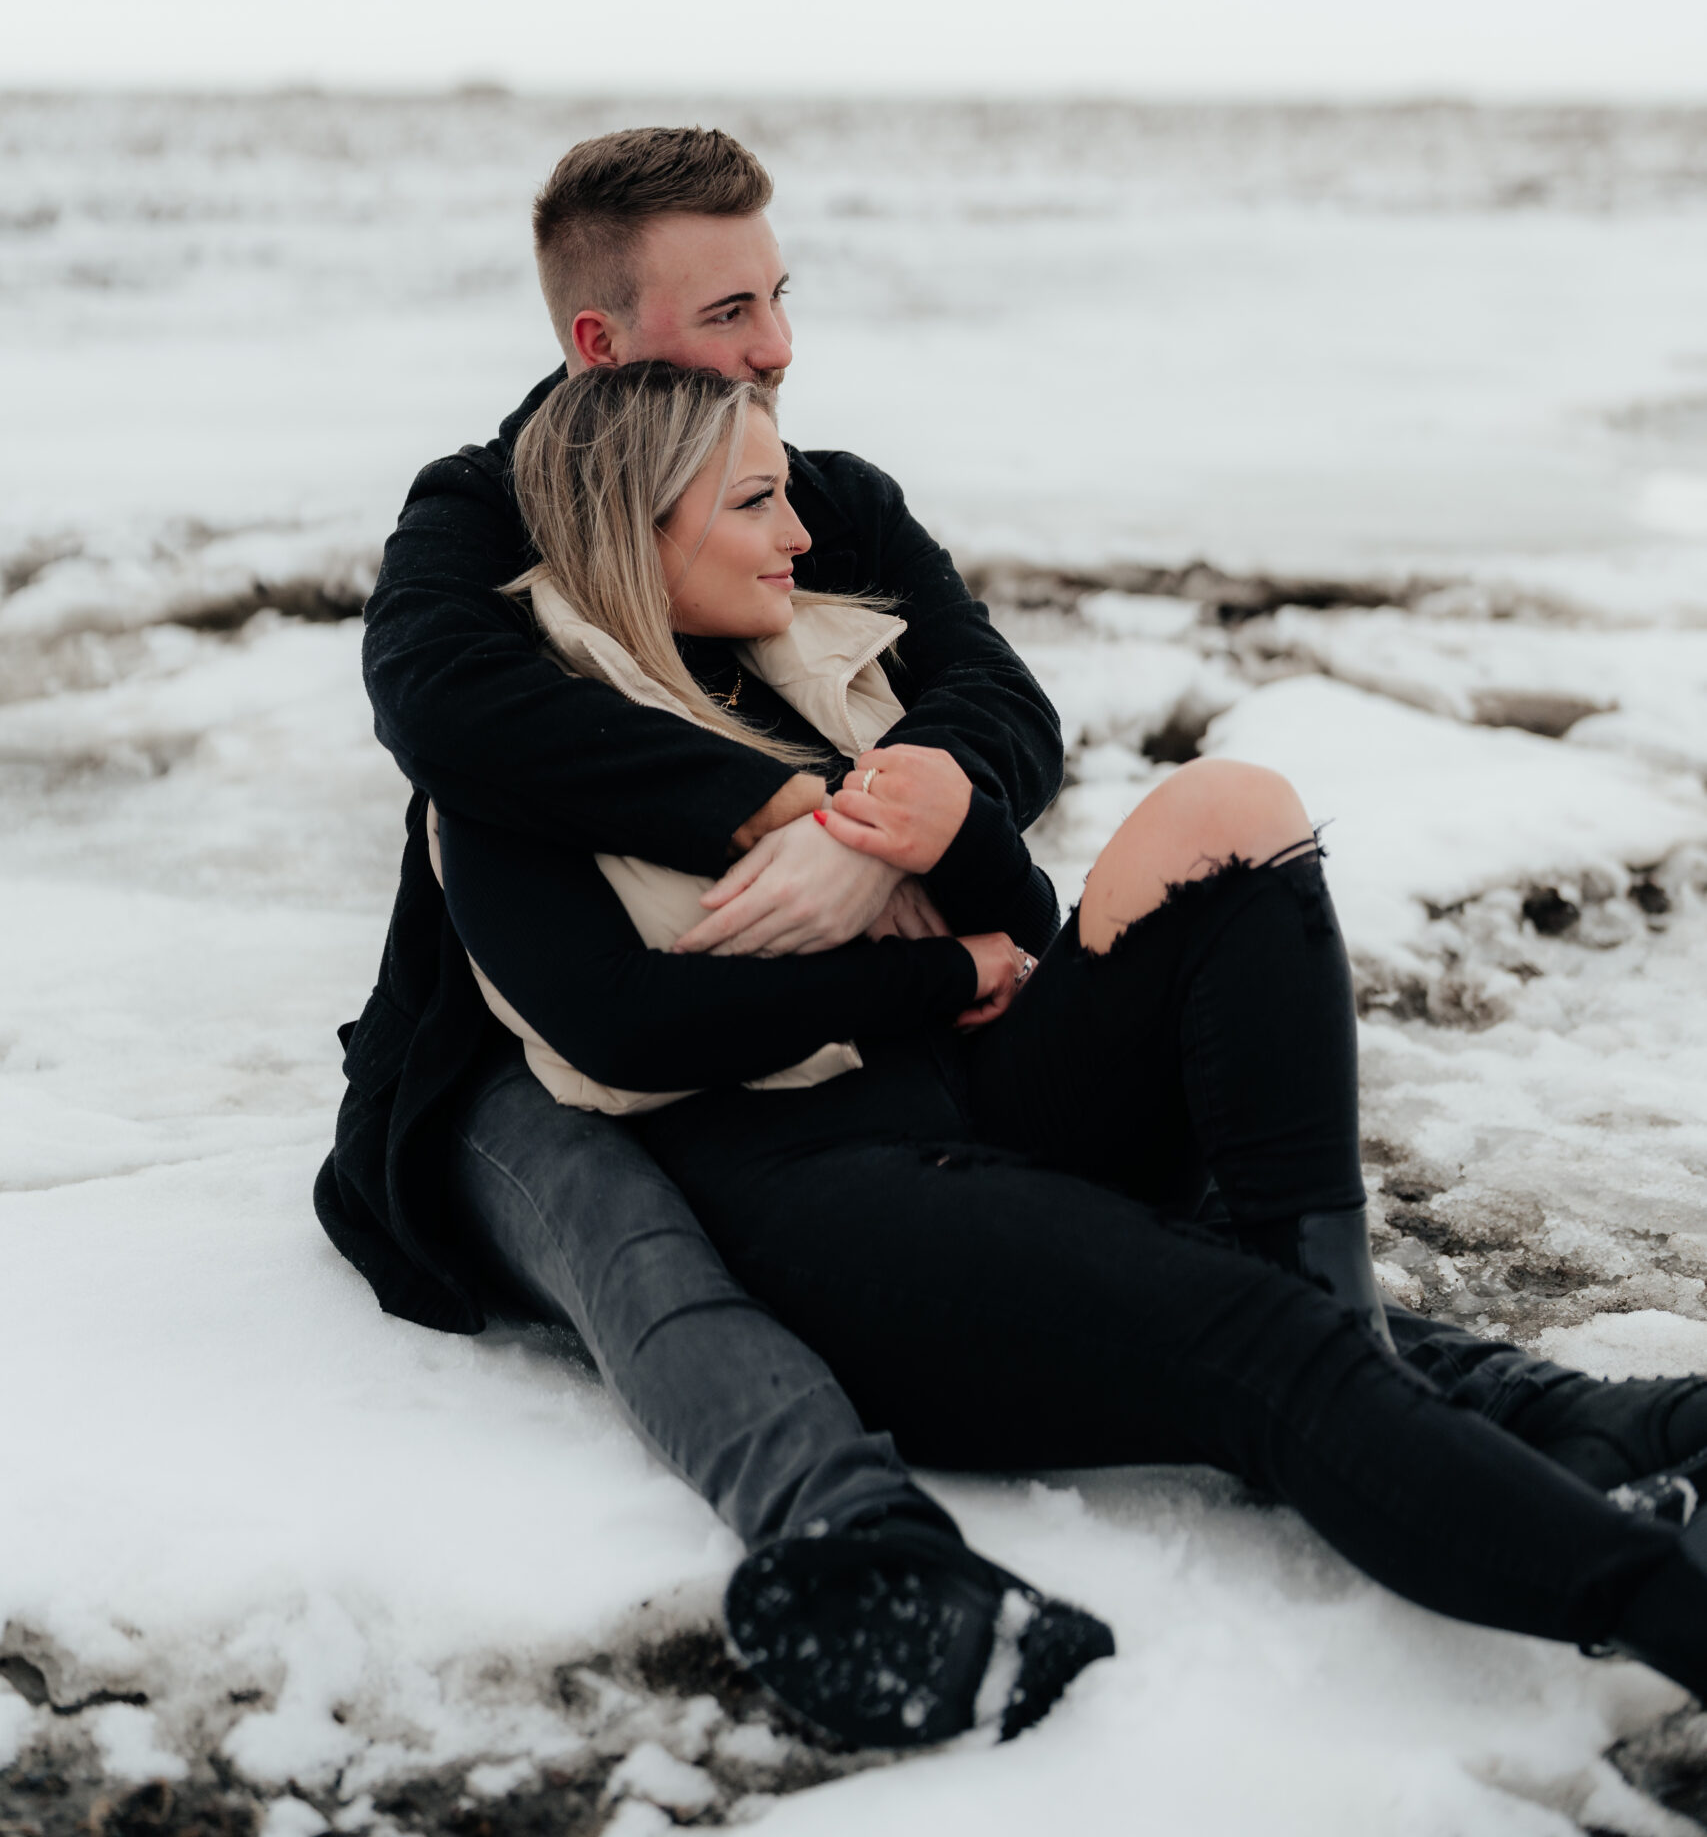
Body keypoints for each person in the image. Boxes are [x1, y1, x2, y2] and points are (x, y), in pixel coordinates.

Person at [316, 127, 1707, 1744]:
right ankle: (860, 1543)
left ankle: (1448, 1417)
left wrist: (928, 805)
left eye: (780, 296)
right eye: (730, 315)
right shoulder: (488, 546)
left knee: (1225, 875)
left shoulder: (815, 516)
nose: (775, 345)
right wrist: (794, 824)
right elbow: (452, 727)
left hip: (902, 1072)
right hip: (545, 1062)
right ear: (601, 343)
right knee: (653, 1258)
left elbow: (1000, 717)